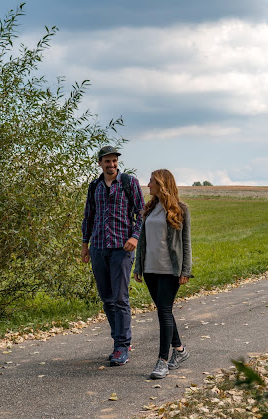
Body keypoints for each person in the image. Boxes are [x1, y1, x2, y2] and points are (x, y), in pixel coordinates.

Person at [81, 145, 145, 366]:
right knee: (107, 299)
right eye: (107, 161)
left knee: (119, 299)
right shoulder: (95, 186)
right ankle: (119, 341)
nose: (112, 165)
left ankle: (121, 346)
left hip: (122, 249)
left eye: (114, 161)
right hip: (98, 248)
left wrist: (135, 237)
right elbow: (88, 216)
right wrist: (85, 244)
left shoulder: (129, 183)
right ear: (100, 163)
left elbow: (141, 213)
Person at [133, 169, 192, 379]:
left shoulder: (181, 209)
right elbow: (142, 240)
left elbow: (186, 243)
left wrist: (186, 270)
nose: (148, 185)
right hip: (150, 269)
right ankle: (180, 351)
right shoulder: (149, 209)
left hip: (170, 270)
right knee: (163, 310)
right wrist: (138, 267)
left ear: (161, 184)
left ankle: (162, 361)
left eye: (151, 182)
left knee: (164, 311)